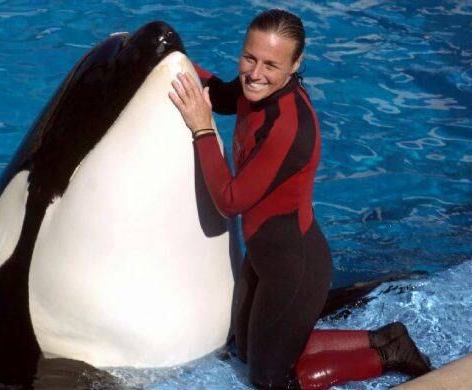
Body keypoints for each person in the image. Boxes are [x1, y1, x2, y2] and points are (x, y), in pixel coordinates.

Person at [169, 9, 432, 389]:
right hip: (264, 256)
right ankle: (385, 336)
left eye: (271, 64)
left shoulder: (288, 126)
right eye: (249, 58)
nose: (255, 73)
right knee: (244, 350)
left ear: (295, 65)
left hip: (293, 267)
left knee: (272, 381)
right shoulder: (251, 90)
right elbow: (221, 95)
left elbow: (229, 200)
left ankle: (387, 352)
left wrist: (201, 128)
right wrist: (164, 55)